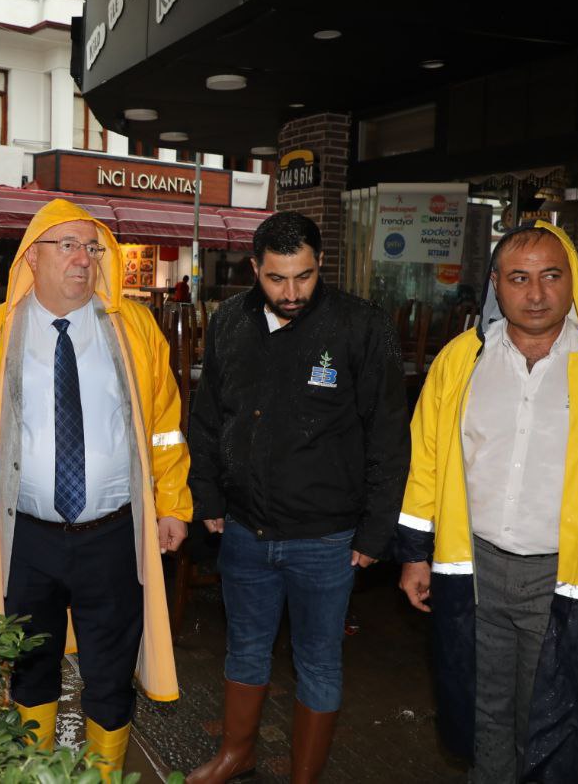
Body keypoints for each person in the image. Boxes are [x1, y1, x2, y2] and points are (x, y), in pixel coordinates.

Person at [397, 223, 578, 783]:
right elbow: (427, 463)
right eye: (519, 278)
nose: (535, 294)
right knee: (483, 720)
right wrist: (415, 553)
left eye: (551, 276)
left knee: (556, 728)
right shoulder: (461, 362)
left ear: (572, 280)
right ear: (496, 286)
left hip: (570, 580)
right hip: (474, 570)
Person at [0, 199, 192, 775]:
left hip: (111, 535)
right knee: (29, 666)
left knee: (111, 672)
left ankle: (105, 774)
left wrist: (174, 504)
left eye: (92, 247)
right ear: (32, 257)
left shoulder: (133, 326)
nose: (84, 259)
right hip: (25, 539)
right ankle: (38, 773)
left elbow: (164, 426)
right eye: (69, 246)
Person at [186, 212, 410, 784]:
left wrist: (375, 532)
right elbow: (209, 418)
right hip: (244, 528)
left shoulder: (362, 326)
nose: (292, 293)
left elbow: (388, 434)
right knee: (245, 649)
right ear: (255, 269)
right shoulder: (230, 322)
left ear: (320, 266)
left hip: (328, 538)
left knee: (318, 660)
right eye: (277, 279)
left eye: (305, 277)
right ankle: (239, 753)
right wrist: (207, 494)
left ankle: (305, 776)